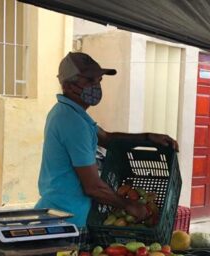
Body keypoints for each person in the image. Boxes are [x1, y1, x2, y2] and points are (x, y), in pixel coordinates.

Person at [37, 52, 178, 227]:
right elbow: (93, 187)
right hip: (68, 219)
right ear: (68, 86)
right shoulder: (72, 122)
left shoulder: (71, 113)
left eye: (98, 81)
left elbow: (107, 138)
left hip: (61, 211)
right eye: (89, 81)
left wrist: (147, 137)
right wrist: (129, 206)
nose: (96, 86)